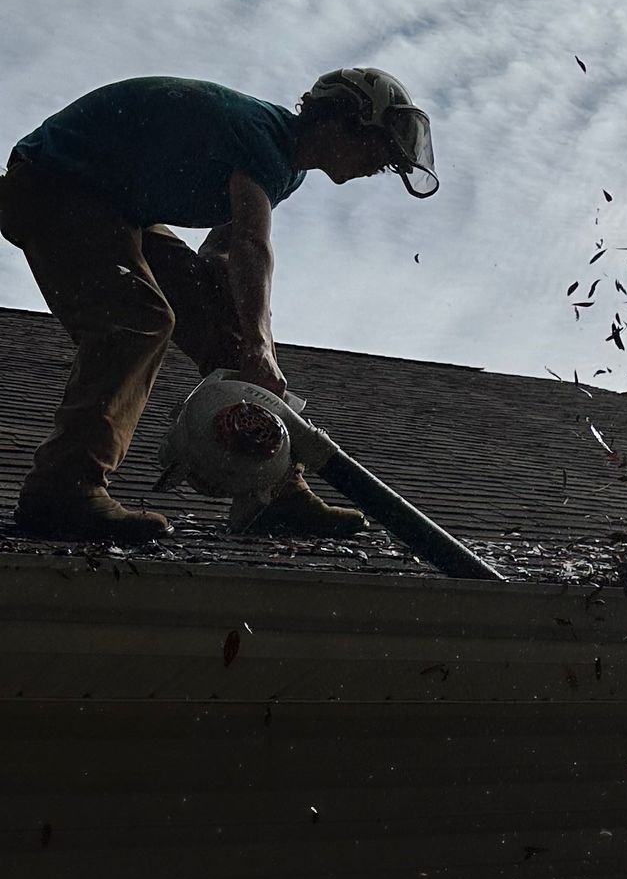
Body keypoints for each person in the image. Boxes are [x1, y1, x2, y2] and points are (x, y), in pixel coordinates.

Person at [0, 69, 438, 545]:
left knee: (226, 329)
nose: (377, 168)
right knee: (136, 321)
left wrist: (249, 340)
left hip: (113, 206)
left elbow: (224, 259)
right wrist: (259, 342)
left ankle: (271, 495)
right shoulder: (264, 139)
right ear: (343, 121)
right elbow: (252, 243)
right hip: (50, 183)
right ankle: (61, 489)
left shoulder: (282, 167)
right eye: (377, 151)